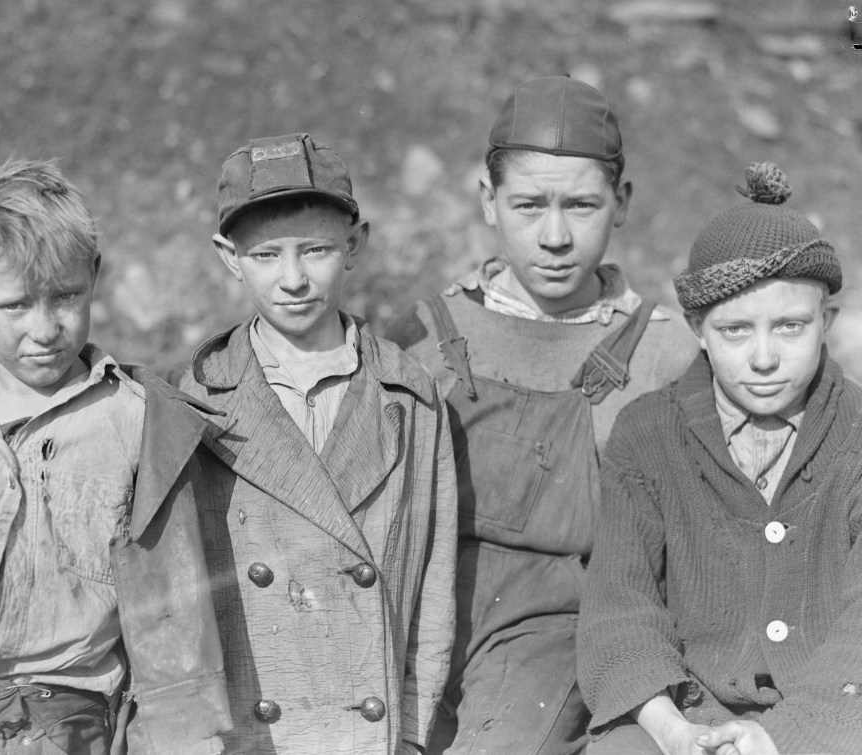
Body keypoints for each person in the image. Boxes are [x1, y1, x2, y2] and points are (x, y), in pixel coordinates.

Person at [386, 76, 699, 754]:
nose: (554, 236)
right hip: (421, 622)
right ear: (487, 201)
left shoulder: (665, 352)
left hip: (565, 641)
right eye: (528, 205)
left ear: (621, 203)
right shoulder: (421, 339)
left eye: (581, 205)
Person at [0, 159, 231, 754]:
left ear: (95, 278)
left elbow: (171, 612)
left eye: (65, 297)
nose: (45, 327)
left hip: (55, 716)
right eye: (15, 306)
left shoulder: (140, 421)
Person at [174, 132, 458, 754]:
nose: (294, 279)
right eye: (266, 255)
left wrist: (408, 735)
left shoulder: (408, 397)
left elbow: (432, 586)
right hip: (254, 731)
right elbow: (177, 601)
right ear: (229, 257)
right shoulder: (195, 400)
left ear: (355, 244)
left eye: (317, 250)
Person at [578, 162, 862, 755]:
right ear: (698, 329)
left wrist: (784, 737)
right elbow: (620, 603)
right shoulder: (649, 432)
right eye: (735, 330)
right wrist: (678, 732)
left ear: (827, 323)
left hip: (836, 712)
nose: (764, 358)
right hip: (684, 709)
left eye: (789, 326)